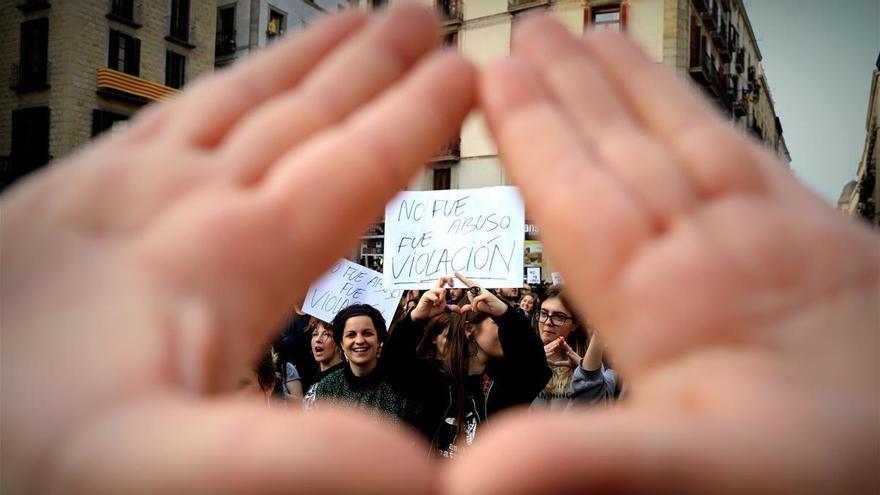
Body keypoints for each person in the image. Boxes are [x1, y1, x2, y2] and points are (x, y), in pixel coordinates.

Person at [1, 5, 877, 494]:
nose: (470, 330)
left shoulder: (519, 374)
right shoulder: (408, 369)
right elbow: (411, 369)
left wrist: (501, 306)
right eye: (459, 327)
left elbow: (534, 360)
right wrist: (412, 311)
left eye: (482, 330)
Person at [384, 274, 551, 457]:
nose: (504, 331)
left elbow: (536, 368)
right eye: (496, 322)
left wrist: (505, 313)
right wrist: (415, 318)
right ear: (469, 329)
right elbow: (392, 366)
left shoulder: (506, 385)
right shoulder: (434, 379)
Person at [311, 304, 410, 423]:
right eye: (351, 335)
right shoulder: (327, 387)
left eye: (367, 333)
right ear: (341, 343)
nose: (359, 341)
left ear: (379, 339)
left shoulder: (398, 387)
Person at [532, 286, 616, 409]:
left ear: (575, 325)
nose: (548, 322)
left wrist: (586, 375)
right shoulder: (521, 359)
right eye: (544, 313)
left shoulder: (589, 365)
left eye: (559, 316)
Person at [302, 317, 344, 407]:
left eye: (327, 334)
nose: (318, 339)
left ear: (339, 343)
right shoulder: (315, 376)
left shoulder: (343, 379)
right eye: (315, 334)